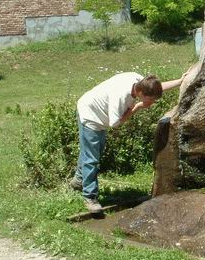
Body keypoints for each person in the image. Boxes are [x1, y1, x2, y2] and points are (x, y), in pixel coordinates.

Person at [70, 72, 184, 213]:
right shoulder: (120, 97)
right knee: (92, 158)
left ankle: (78, 180)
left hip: (99, 114)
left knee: (93, 151)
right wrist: (137, 107)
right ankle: (90, 197)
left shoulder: (140, 81)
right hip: (91, 116)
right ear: (141, 93)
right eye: (151, 99)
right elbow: (115, 123)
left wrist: (180, 81)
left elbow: (158, 88)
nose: (152, 102)